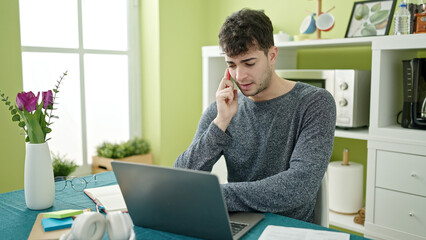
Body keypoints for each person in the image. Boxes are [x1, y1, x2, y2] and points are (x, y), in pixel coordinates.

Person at [174, 8, 336, 223]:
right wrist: (220, 123)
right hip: (235, 223)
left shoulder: (314, 102)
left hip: (287, 228)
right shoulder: (221, 109)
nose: (240, 76)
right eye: (231, 65)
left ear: (272, 55)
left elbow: (300, 186)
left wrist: (214, 196)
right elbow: (183, 176)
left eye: (249, 63)